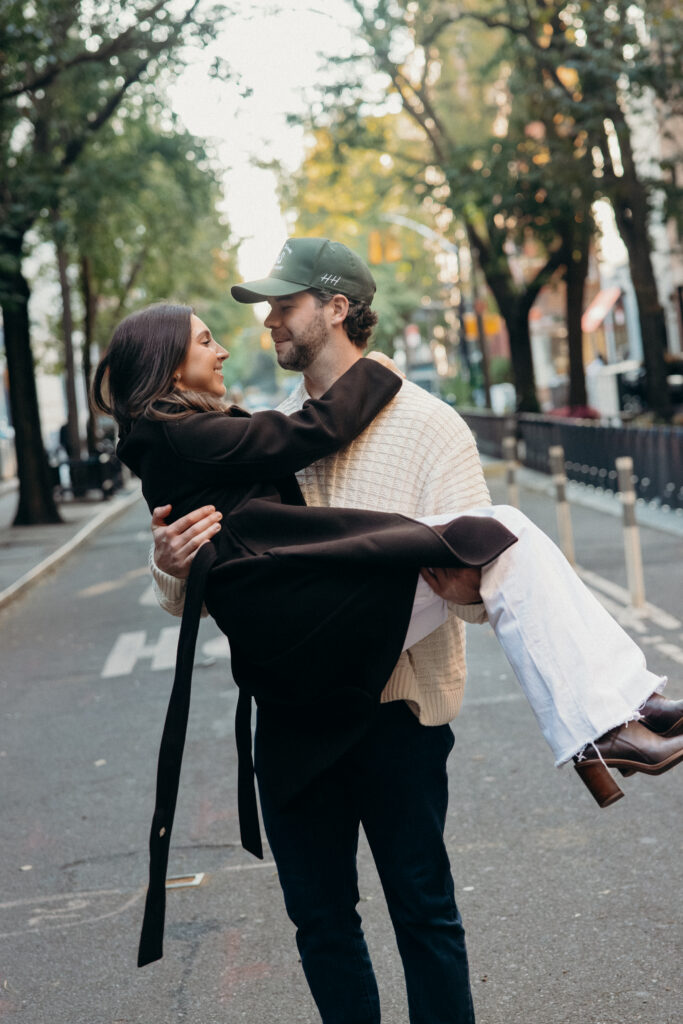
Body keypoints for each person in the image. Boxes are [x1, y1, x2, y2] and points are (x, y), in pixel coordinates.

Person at [109, 240, 682, 1023]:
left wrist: (459, 587)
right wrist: (168, 562)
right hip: (297, 712)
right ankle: (613, 718)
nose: (266, 320)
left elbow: (486, 592)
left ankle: (615, 715)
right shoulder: (262, 431)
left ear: (336, 307)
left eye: (283, 303)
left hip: (399, 710)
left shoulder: (431, 427)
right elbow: (211, 588)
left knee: (425, 914)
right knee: (322, 924)